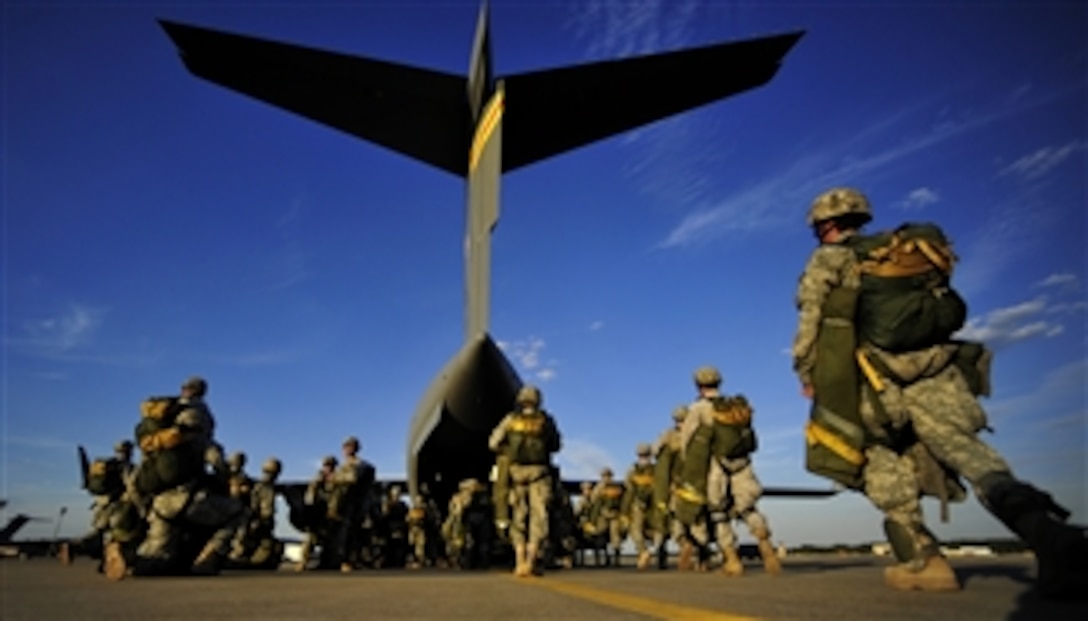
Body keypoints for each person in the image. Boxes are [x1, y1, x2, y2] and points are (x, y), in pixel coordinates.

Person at [792, 187, 1087, 596]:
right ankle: (1050, 536)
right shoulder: (911, 251)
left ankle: (923, 561)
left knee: (873, 459)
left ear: (824, 225)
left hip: (873, 380)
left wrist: (808, 373)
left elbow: (812, 321)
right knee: (972, 456)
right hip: (938, 373)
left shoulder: (831, 258)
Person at [113, 376, 244, 580]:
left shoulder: (161, 428)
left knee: (159, 557)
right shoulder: (199, 416)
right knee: (238, 512)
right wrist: (224, 476)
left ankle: (129, 559)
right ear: (202, 391)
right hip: (190, 499)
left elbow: (139, 475)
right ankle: (208, 558)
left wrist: (143, 506)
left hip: (160, 503)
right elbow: (215, 458)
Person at [677, 366, 780, 576]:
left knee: (719, 513)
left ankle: (732, 560)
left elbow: (686, 443)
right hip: (742, 463)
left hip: (717, 465)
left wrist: (691, 471)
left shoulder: (699, 409)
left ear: (698, 385)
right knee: (748, 507)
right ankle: (765, 544)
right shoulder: (734, 408)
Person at [488, 385, 562, 577]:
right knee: (539, 516)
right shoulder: (545, 420)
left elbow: (493, 443)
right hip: (539, 473)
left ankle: (519, 561)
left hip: (516, 474)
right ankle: (531, 561)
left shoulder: (511, 420)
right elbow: (556, 445)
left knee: (518, 516)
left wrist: (508, 452)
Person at [331, 436, 375, 572]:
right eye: (346, 447)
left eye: (350, 446)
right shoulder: (343, 467)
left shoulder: (361, 465)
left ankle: (350, 560)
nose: (347, 449)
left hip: (355, 504)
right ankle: (342, 559)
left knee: (351, 533)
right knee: (342, 534)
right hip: (342, 504)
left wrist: (335, 478)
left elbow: (353, 478)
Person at [622, 443, 657, 570]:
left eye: (645, 455)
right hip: (639, 505)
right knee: (635, 530)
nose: (643, 458)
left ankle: (644, 552)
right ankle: (643, 552)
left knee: (647, 530)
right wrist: (625, 511)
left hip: (653, 506)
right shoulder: (633, 471)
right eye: (642, 455)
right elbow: (629, 491)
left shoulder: (656, 470)